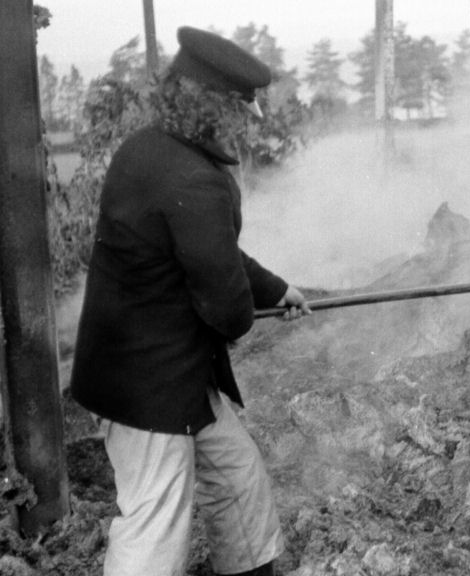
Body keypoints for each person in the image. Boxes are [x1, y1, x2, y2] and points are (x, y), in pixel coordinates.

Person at [69, 26, 310, 576]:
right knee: (155, 522)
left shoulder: (146, 147)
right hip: (148, 389)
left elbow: (211, 251)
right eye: (243, 106)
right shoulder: (197, 178)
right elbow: (227, 308)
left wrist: (278, 290)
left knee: (236, 478)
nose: (251, 119)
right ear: (211, 104)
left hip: (152, 372)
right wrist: (247, 310)